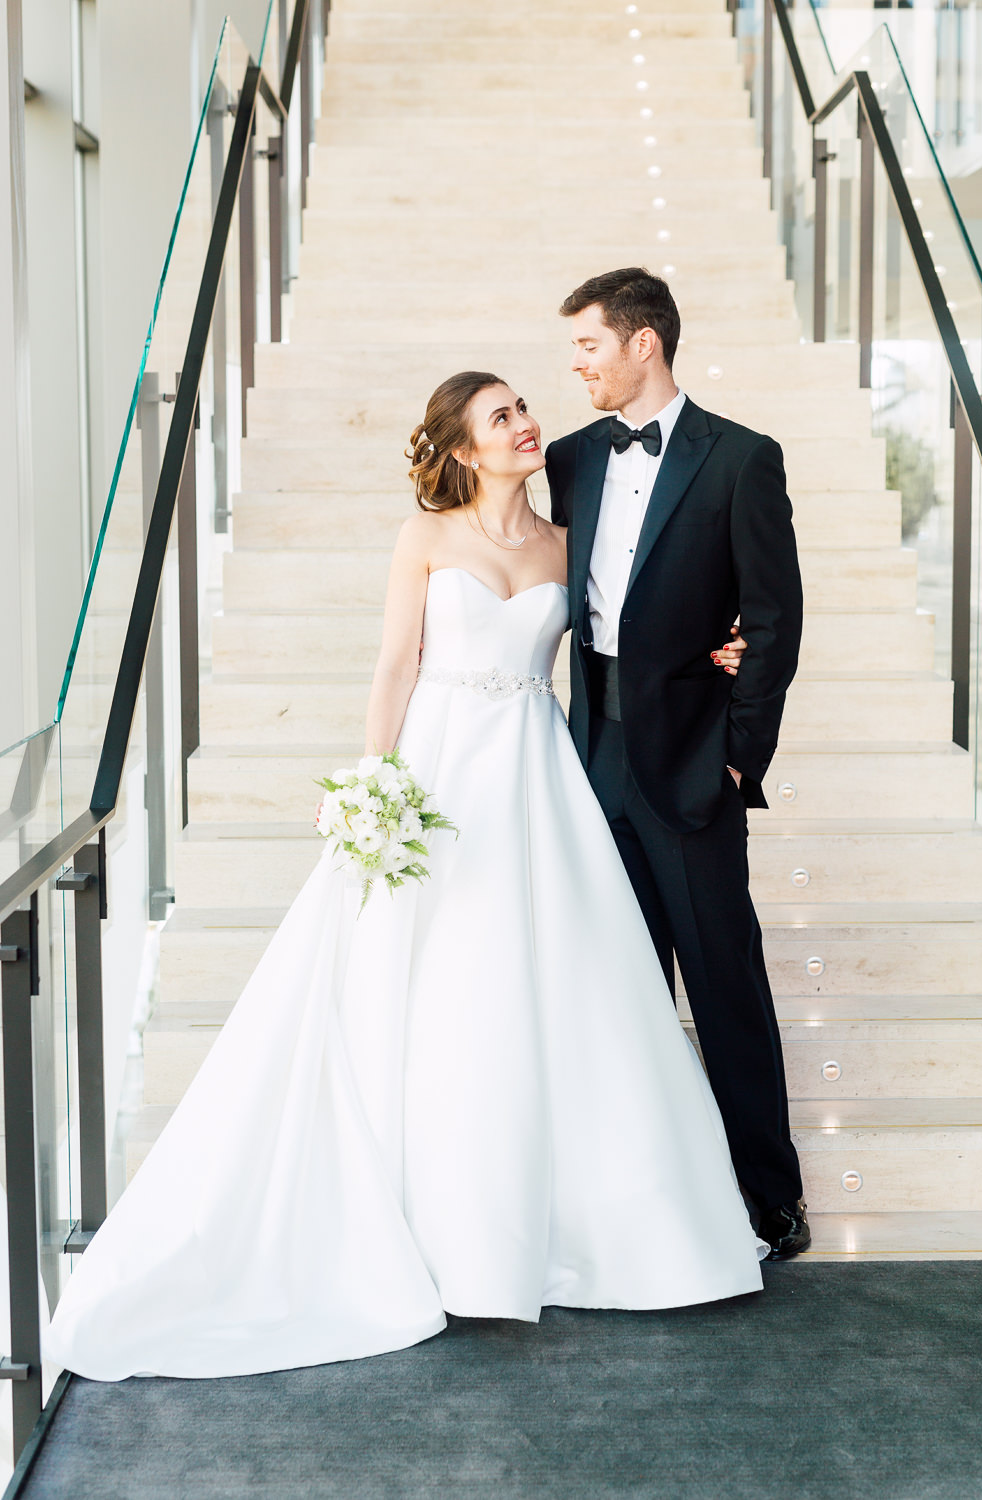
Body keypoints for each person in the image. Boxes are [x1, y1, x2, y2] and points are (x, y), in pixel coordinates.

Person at [43, 370, 766, 1384]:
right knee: (427, 983)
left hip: (535, 777)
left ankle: (585, 1227)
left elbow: (628, 641)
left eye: (522, 408)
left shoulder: (566, 544)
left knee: (552, 985)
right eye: (501, 416)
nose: (525, 424)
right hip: (437, 774)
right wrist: (371, 781)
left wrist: (720, 651)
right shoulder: (425, 538)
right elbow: (394, 664)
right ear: (464, 449)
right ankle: (432, 1231)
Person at [546, 267, 809, 1258]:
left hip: (692, 759)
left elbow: (774, 618)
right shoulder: (568, 459)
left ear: (641, 343)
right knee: (616, 985)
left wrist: (739, 757)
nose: (576, 364)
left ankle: (767, 1193)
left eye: (587, 346)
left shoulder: (741, 459)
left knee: (720, 978)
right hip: (585, 753)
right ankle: (634, 1192)